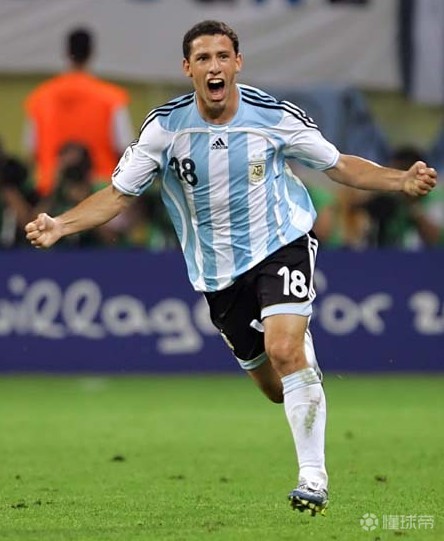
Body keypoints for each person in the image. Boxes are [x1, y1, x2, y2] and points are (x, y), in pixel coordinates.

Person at [24, 20, 437, 515]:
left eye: (223, 56)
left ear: (237, 63)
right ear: (188, 69)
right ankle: (298, 361)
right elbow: (117, 194)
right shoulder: (165, 129)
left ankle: (313, 478)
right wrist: (61, 225)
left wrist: (399, 180)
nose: (214, 66)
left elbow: (338, 164)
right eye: (203, 58)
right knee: (275, 388)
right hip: (218, 273)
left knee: (285, 349)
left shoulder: (272, 116)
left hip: (282, 242)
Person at [23, 27, 134, 198]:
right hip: (98, 192)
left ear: (66, 52)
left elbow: (31, 151)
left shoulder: (40, 97)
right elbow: (125, 150)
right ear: (92, 53)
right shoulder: (111, 98)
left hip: (51, 191)